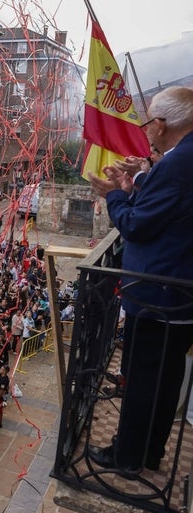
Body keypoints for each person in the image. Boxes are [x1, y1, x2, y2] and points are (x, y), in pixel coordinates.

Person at [87, 86, 193, 472]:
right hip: (177, 297)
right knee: (164, 381)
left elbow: (135, 226)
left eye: (149, 121)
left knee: (142, 380)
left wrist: (116, 195)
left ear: (162, 125)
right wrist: (138, 184)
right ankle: (149, 452)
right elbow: (167, 210)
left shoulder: (177, 164)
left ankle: (127, 456)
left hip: (157, 297)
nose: (146, 130)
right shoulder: (178, 162)